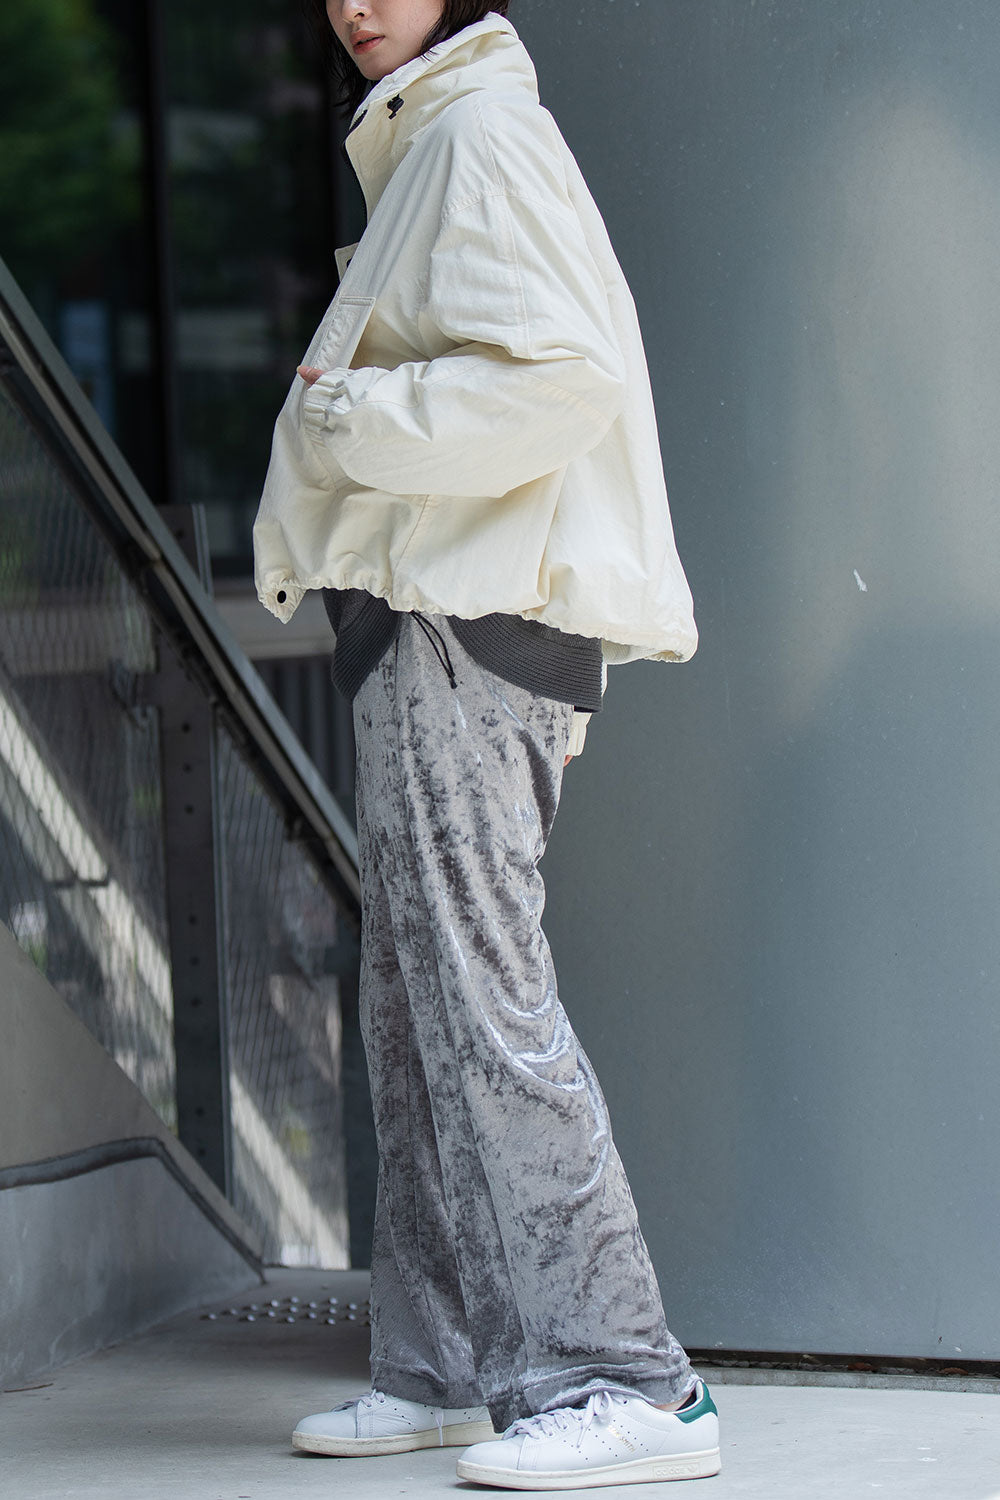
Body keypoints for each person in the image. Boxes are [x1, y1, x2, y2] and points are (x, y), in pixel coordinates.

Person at [253, 0, 718, 1488]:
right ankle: (445, 1365)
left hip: (472, 623)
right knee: (418, 1017)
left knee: (484, 1008)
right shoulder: (431, 140)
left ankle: (631, 1380)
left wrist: (350, 413)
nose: (354, 2)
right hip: (431, 621)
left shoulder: (481, 134)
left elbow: (564, 376)